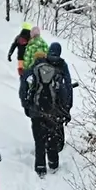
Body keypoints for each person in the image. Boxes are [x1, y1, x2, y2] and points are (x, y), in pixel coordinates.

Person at [24, 39, 74, 175]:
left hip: (36, 110)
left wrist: (27, 106)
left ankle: (40, 168)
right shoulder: (62, 66)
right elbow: (67, 88)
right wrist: (67, 109)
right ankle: (53, 165)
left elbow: (26, 84)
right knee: (52, 138)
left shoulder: (39, 65)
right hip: (54, 112)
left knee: (39, 140)